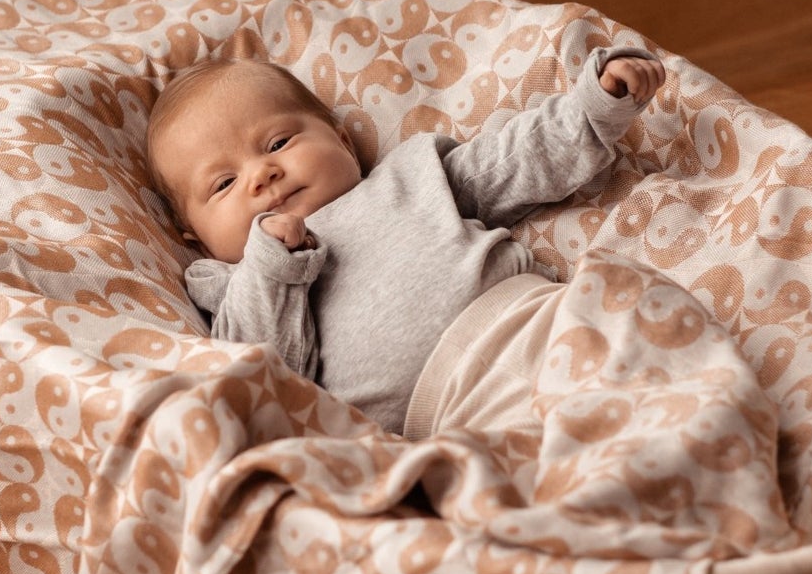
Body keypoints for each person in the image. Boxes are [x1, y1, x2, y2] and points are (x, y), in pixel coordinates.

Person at [146, 46, 665, 434]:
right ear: (197, 237)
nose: (262, 175)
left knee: (656, 357)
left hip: (543, 322)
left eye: (278, 142)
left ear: (341, 141)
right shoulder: (230, 283)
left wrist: (592, 106)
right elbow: (266, 378)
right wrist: (269, 265)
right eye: (223, 184)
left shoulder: (410, 175)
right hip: (451, 418)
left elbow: (515, 160)